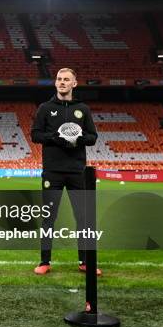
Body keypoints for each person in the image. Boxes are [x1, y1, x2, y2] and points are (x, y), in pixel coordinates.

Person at [30, 67, 101, 276]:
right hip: (52, 171)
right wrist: (55, 138)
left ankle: (85, 261)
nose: (62, 82)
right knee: (48, 218)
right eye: (59, 79)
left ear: (74, 84)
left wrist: (76, 139)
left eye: (66, 79)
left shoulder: (83, 109)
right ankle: (44, 261)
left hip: (78, 171)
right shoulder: (45, 108)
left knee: (84, 217)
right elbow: (35, 134)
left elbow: (93, 137)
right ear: (55, 83)